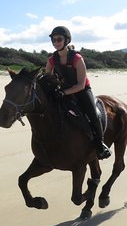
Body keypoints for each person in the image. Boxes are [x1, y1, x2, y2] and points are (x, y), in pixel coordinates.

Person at [44, 26, 111, 159]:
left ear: (66, 40)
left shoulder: (77, 58)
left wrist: (63, 92)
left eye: (59, 39)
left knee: (93, 114)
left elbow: (80, 85)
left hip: (82, 90)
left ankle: (100, 145)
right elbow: (47, 78)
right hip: (63, 90)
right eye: (53, 40)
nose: (56, 42)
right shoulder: (52, 59)